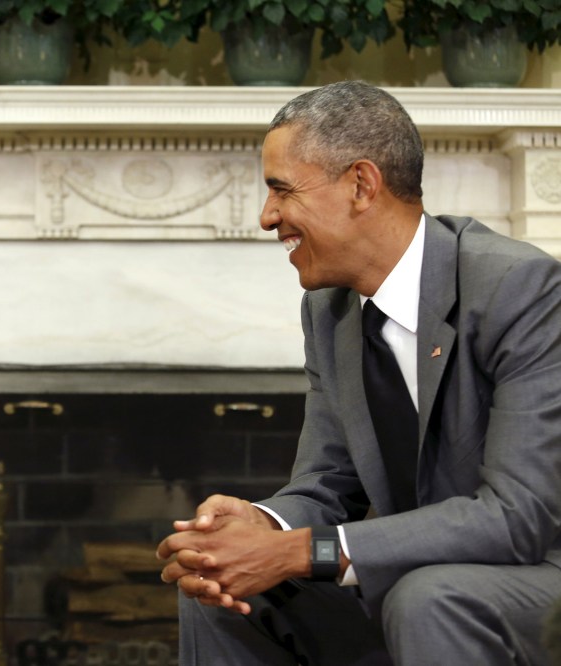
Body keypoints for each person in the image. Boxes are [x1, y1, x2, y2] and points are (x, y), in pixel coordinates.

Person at [157, 81, 561, 665]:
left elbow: (518, 517)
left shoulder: (521, 289)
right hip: (420, 579)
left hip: (536, 576)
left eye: (281, 190)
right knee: (222, 587)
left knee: (429, 598)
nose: (267, 217)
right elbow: (326, 485)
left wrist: (299, 551)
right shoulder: (330, 310)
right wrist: (259, 526)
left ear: (361, 185)